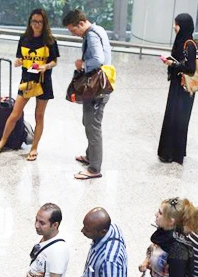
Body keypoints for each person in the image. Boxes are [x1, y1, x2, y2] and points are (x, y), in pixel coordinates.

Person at [0, 8, 60, 161]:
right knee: (15, 114)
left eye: (39, 22)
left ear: (44, 23)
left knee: (39, 115)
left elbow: (55, 61)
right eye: (34, 21)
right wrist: (19, 62)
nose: (36, 25)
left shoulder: (50, 41)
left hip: (43, 83)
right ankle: (2, 141)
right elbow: (20, 58)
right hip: (27, 82)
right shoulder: (24, 38)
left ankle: (34, 147)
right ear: (30, 22)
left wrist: (46, 66)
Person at [63, 9, 112, 180]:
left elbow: (98, 59)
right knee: (88, 121)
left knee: (93, 126)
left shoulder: (91, 35)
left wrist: (82, 64)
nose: (73, 33)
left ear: (82, 23)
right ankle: (90, 156)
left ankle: (94, 168)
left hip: (96, 89)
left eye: (73, 30)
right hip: (101, 86)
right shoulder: (99, 30)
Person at [157, 13, 197, 165]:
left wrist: (172, 64)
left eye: (177, 24)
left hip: (184, 90)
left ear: (183, 26)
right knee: (173, 118)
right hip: (177, 85)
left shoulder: (189, 44)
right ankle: (170, 152)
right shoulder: (181, 41)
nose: (174, 27)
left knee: (177, 120)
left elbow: (190, 68)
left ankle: (173, 153)